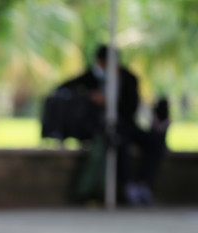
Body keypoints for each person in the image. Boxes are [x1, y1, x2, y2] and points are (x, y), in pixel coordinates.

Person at [54, 45, 167, 205]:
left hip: (127, 124)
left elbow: (131, 108)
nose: (101, 67)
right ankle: (128, 186)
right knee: (118, 141)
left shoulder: (129, 79)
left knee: (156, 142)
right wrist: (90, 96)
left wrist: (109, 102)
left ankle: (144, 185)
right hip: (102, 127)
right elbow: (63, 87)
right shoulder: (92, 78)